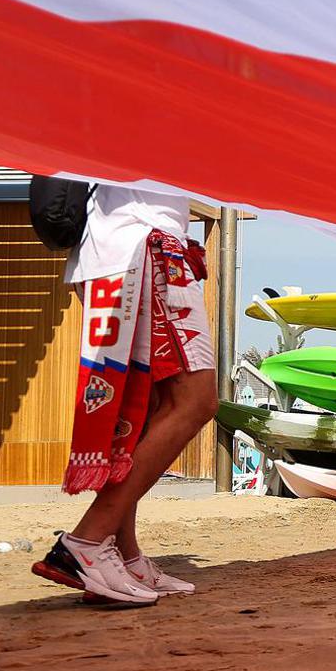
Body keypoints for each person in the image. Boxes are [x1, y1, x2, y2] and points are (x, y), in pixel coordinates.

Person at [33, 186, 217, 603]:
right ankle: (88, 540)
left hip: (118, 248)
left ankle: (122, 554)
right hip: (145, 246)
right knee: (194, 400)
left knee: (142, 413)